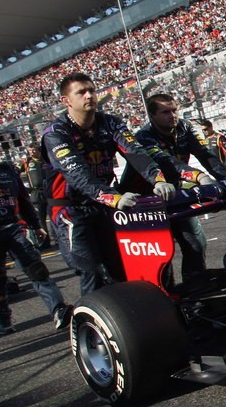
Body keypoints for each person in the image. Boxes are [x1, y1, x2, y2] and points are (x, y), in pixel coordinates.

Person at [41, 74, 175, 296]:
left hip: (105, 205)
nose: (89, 95)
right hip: (70, 209)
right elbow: (78, 175)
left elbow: (136, 153)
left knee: (121, 265)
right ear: (66, 101)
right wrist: (113, 198)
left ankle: (130, 316)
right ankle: (91, 323)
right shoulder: (56, 133)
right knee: (91, 270)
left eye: (92, 90)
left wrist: (158, 179)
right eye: (81, 92)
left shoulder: (110, 122)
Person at [0, 137, 70, 335]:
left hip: (13, 228)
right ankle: (4, 319)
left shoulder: (7, 170)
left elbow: (24, 201)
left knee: (37, 269)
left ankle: (58, 309)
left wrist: (37, 226)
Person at [130, 93, 226, 284]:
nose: (172, 115)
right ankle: (164, 294)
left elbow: (206, 155)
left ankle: (195, 286)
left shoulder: (185, 127)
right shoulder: (143, 136)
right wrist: (199, 176)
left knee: (195, 242)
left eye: (174, 110)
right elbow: (166, 162)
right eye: (165, 112)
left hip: (174, 194)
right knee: (160, 253)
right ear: (152, 116)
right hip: (145, 201)